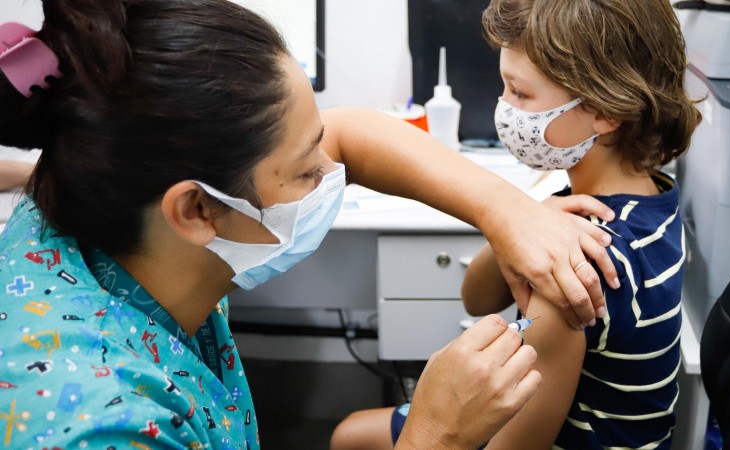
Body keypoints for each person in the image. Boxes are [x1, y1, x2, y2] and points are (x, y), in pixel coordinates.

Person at [0, 1, 622, 448]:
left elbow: (349, 134)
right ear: (194, 210)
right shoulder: (101, 426)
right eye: (304, 173)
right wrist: (438, 434)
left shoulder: (87, 186)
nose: (333, 176)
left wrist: (507, 213)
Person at [330, 0, 701, 448]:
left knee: (350, 437)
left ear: (605, 111)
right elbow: (477, 297)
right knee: (352, 433)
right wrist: (519, 221)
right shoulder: (650, 196)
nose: (505, 108)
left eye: (521, 94)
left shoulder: (577, 267)